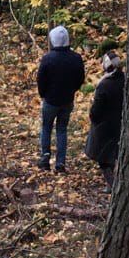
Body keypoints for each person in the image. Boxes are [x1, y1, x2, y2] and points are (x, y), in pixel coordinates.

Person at [37, 25, 85, 173]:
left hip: (50, 100)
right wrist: (71, 91)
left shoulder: (47, 59)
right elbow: (80, 79)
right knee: (62, 130)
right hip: (67, 100)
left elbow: (41, 80)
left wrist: (43, 94)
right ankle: (60, 162)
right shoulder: (76, 58)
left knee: (46, 127)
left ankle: (45, 157)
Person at [86, 51, 125, 188]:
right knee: (116, 154)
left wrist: (92, 116)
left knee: (103, 159)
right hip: (120, 123)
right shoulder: (126, 80)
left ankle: (113, 186)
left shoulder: (104, 85)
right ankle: (116, 184)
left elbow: (96, 109)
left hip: (104, 127)